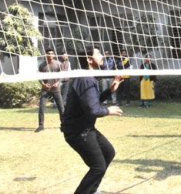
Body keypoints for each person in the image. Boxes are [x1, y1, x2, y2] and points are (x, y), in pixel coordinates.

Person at [61, 46, 123, 194]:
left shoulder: (88, 78)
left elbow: (91, 103)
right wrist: (109, 110)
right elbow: (93, 110)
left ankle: (93, 190)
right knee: (98, 167)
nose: (102, 55)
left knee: (109, 152)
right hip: (76, 131)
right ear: (89, 59)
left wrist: (110, 91)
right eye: (98, 54)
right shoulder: (85, 79)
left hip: (86, 128)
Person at [36, 48, 64, 133]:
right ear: (46, 55)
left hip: (56, 89)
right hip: (45, 89)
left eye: (52, 53)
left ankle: (64, 125)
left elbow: (62, 76)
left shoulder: (58, 64)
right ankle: (41, 126)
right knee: (41, 107)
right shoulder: (42, 65)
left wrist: (58, 83)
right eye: (48, 53)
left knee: (61, 108)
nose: (50, 55)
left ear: (54, 55)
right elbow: (38, 77)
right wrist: (43, 84)